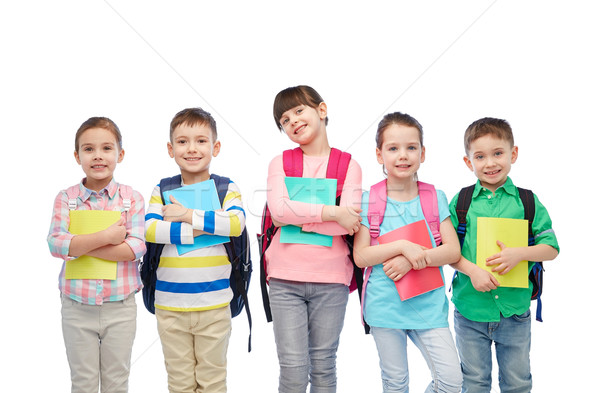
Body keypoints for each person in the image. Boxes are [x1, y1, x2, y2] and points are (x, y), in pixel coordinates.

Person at [353, 112, 463, 393]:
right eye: (393, 148)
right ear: (379, 154)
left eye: (411, 147)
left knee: (451, 382)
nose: (403, 155)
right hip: (384, 307)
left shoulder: (434, 197)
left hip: (429, 307)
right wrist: (402, 246)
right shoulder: (370, 200)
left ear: (422, 153)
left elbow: (452, 250)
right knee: (396, 382)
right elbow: (361, 256)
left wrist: (410, 261)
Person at [449, 117, 559, 393]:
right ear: (468, 162)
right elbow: (447, 251)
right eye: (480, 156)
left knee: (518, 382)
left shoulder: (527, 201)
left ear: (514, 154)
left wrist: (520, 254)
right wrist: (472, 270)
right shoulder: (461, 202)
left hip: (515, 312)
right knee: (473, 382)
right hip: (470, 310)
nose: (490, 163)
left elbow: (551, 247)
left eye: (498, 153)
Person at [266, 85, 363, 393]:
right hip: (284, 279)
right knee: (293, 371)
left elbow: (350, 224)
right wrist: (331, 213)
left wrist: (302, 220)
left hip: (331, 280)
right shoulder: (280, 162)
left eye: (298, 110)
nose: (292, 121)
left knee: (323, 367)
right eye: (284, 119)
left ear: (321, 110)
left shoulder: (349, 165)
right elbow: (278, 210)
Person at [144, 107, 246, 393]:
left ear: (215, 147)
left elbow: (236, 223)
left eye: (201, 141)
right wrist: (210, 226)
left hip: (214, 304)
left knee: (212, 382)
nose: (191, 149)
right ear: (170, 148)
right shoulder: (161, 189)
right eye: (182, 141)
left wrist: (187, 215)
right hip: (169, 306)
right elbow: (151, 230)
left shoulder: (227, 188)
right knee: (179, 382)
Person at [47, 117, 146, 393]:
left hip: (120, 307)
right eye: (89, 149)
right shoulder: (66, 198)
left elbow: (135, 248)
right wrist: (106, 238)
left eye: (107, 148)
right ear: (77, 156)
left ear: (120, 154)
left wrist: (78, 246)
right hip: (77, 307)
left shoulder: (132, 198)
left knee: (117, 382)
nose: (98, 156)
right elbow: (56, 244)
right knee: (83, 382)